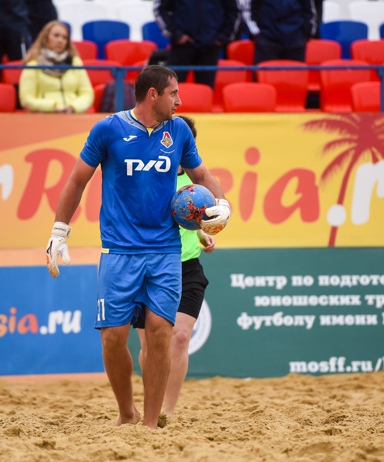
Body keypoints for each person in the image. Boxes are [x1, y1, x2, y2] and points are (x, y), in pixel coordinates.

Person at [45, 65, 231, 429]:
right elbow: (77, 180)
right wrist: (58, 231)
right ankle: (126, 412)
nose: (180, 101)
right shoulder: (108, 129)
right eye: (174, 93)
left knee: (161, 334)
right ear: (153, 95)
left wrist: (222, 204)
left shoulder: (179, 131)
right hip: (118, 251)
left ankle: (149, 426)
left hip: (164, 251)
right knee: (113, 338)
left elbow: (202, 177)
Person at [136, 115, 215, 418]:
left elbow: (193, 220)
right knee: (150, 345)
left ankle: (167, 412)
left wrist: (202, 234)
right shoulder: (150, 176)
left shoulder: (197, 185)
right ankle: (151, 405)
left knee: (180, 338)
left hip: (187, 268)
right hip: (152, 266)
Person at [154, 0, 241, 88]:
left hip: (211, 46)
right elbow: (160, 9)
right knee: (170, 88)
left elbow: (234, 10)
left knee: (205, 90)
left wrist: (223, 37)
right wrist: (177, 35)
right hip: (182, 46)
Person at [18, 20, 94, 113]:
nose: (60, 40)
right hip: (43, 116)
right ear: (45, 38)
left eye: (64, 37)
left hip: (73, 115)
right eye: (56, 36)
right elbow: (26, 99)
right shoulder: (33, 64)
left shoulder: (75, 62)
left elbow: (87, 93)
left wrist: (73, 107)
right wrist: (53, 107)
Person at [244, 0, 317, 64]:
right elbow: (248, 11)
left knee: (295, 76)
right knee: (262, 75)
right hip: (266, 42)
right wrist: (256, 35)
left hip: (295, 43)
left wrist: (304, 35)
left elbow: (310, 12)